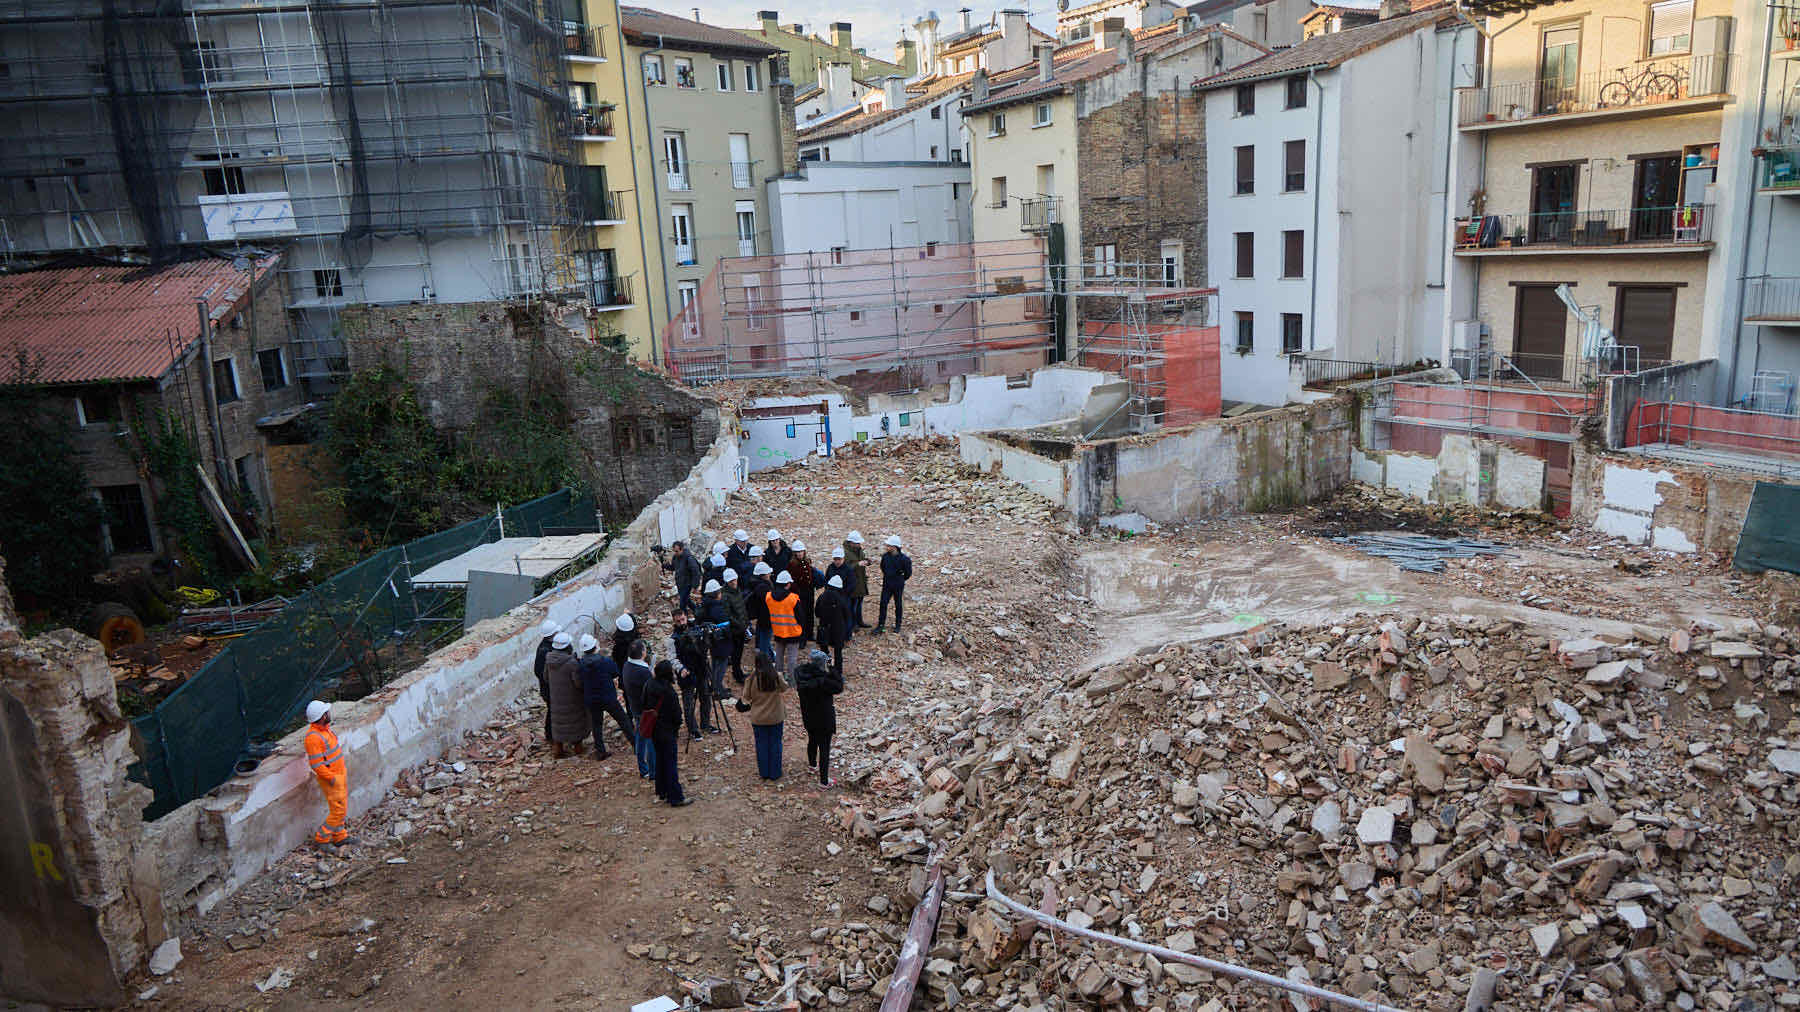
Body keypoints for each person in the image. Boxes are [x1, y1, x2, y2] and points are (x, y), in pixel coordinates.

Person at [303, 700, 359, 847]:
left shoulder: (324, 730)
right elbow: (316, 765)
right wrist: (332, 778)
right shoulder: (313, 738)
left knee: (341, 808)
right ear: (322, 717)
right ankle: (322, 838)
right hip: (332, 779)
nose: (329, 713)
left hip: (338, 775)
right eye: (326, 712)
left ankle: (340, 836)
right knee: (338, 811)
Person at [641, 660, 691, 806]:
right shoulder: (668, 691)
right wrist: (676, 728)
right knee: (670, 764)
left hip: (654, 730)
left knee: (660, 760)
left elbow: (643, 703)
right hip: (667, 731)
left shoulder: (649, 684)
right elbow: (677, 715)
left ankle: (662, 790)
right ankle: (675, 796)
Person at [577, 634, 633, 760]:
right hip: (608, 697)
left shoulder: (580, 665)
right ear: (595, 646)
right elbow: (615, 673)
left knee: (596, 725)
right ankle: (635, 743)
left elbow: (579, 681)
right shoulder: (605, 661)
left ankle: (600, 751)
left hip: (592, 699)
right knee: (623, 720)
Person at [793, 649, 844, 787]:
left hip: (808, 716)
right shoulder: (824, 681)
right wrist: (832, 667)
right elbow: (840, 686)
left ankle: (812, 765)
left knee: (812, 740)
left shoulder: (801, 674)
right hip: (824, 718)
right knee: (824, 749)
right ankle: (824, 781)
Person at [737, 653, 786, 781]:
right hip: (776, 716)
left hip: (759, 717)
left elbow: (746, 697)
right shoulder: (775, 676)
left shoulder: (752, 678)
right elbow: (784, 688)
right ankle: (775, 772)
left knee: (761, 745)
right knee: (775, 744)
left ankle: (764, 772)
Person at [543, 631, 590, 759]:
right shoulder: (571, 663)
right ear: (567, 647)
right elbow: (578, 683)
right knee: (575, 722)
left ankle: (558, 749)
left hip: (556, 698)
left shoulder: (548, 660)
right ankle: (578, 748)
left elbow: (546, 678)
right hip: (572, 699)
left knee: (559, 722)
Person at [670, 606, 712, 741]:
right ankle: (693, 730)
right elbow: (672, 658)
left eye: (683, 619)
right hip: (686, 674)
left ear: (686, 617)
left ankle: (705, 724)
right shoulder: (673, 639)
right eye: (678, 621)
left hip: (701, 669)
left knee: (705, 697)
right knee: (689, 703)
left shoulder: (696, 629)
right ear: (674, 622)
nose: (681, 623)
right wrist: (681, 669)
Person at [620, 639, 656, 779]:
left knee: (640, 738)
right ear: (642, 653)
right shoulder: (643, 671)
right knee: (651, 741)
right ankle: (653, 771)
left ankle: (643, 768)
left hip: (635, 707)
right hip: (645, 710)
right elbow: (651, 689)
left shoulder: (627, 665)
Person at [698, 579, 733, 717]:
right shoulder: (717, 608)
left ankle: (716, 686)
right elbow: (726, 626)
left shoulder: (704, 606)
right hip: (721, 641)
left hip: (711, 641)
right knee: (721, 665)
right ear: (716, 593)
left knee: (715, 663)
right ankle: (717, 689)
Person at [767, 570, 804, 681]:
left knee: (778, 657)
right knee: (792, 659)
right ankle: (792, 681)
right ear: (788, 584)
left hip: (778, 631)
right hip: (793, 632)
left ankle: (779, 679)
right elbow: (800, 617)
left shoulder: (769, 597)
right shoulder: (793, 598)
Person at [814, 574, 851, 677]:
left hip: (824, 628)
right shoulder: (841, 599)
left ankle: (828, 668)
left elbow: (817, 612)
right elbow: (847, 615)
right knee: (838, 653)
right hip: (838, 629)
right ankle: (838, 673)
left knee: (825, 651)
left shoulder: (822, 597)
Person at [874, 535, 912, 635]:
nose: (887, 547)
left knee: (898, 604)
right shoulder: (885, 557)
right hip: (887, 584)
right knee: (883, 604)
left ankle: (898, 625)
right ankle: (881, 625)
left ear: (894, 547)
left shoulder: (905, 559)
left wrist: (900, 579)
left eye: (889, 545)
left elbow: (908, 573)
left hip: (898, 585)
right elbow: (882, 567)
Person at [787, 540, 823, 644]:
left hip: (809, 591)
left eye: (801, 551)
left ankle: (809, 634)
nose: (799, 553)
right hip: (799, 593)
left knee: (810, 613)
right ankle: (801, 638)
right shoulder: (792, 565)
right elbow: (792, 581)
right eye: (797, 552)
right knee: (801, 615)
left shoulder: (807, 561)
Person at [720, 567, 750, 683]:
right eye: (731, 581)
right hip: (735, 629)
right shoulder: (725, 595)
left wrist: (746, 622)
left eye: (734, 580)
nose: (733, 582)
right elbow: (728, 615)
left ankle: (738, 672)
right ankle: (737, 674)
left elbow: (742, 608)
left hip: (741, 627)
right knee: (736, 653)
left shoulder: (737, 590)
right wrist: (740, 624)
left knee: (739, 652)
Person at [533, 619, 560, 743]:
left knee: (555, 710)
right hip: (549, 689)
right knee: (553, 710)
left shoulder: (546, 647)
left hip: (550, 688)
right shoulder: (545, 651)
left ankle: (553, 734)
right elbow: (539, 672)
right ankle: (550, 735)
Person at [661, 541, 703, 613]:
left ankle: (685, 618)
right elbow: (673, 567)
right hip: (680, 584)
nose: (675, 553)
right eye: (674, 551)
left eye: (677, 551)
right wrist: (664, 565)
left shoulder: (689, 558)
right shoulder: (676, 557)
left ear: (682, 549)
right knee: (687, 600)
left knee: (682, 604)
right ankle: (697, 611)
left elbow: (696, 572)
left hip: (687, 584)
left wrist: (695, 586)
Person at [746, 561, 775, 661]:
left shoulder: (756, 585)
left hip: (761, 617)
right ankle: (766, 662)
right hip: (766, 618)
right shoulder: (764, 588)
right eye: (768, 573)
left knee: (764, 639)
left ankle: (771, 656)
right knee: (765, 641)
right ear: (763, 575)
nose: (770, 574)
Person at [843, 531, 871, 632]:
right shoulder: (844, 553)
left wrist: (867, 561)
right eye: (857, 543)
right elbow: (844, 567)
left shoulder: (859, 550)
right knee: (852, 605)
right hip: (852, 583)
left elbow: (862, 559)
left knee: (859, 603)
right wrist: (857, 564)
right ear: (851, 543)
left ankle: (859, 621)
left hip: (861, 581)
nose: (859, 544)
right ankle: (853, 624)